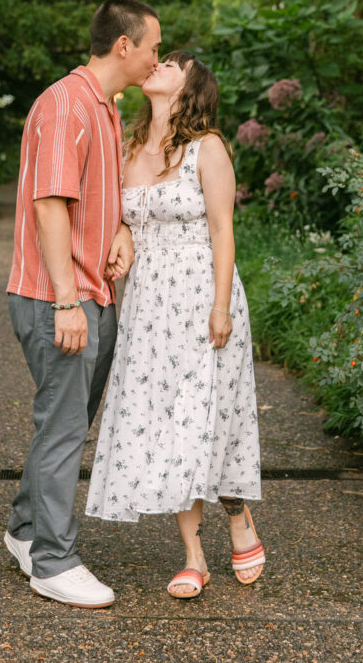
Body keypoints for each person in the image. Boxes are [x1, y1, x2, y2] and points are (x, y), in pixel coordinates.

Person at [86, 51, 264, 597]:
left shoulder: (207, 149)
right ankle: (193, 557)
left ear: (191, 87)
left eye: (173, 64)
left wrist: (220, 307)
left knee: (209, 423)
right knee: (166, 427)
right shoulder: (128, 147)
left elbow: (222, 232)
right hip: (146, 308)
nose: (159, 65)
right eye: (158, 59)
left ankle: (237, 514)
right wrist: (121, 235)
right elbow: (116, 218)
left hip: (202, 300)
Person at [4, 0, 161, 608]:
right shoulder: (64, 104)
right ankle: (52, 560)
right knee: (65, 428)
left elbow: (95, 194)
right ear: (124, 45)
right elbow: (48, 204)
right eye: (152, 46)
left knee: (64, 425)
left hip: (94, 295)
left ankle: (24, 531)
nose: (155, 58)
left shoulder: (107, 108)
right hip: (57, 299)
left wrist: (119, 229)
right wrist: (67, 303)